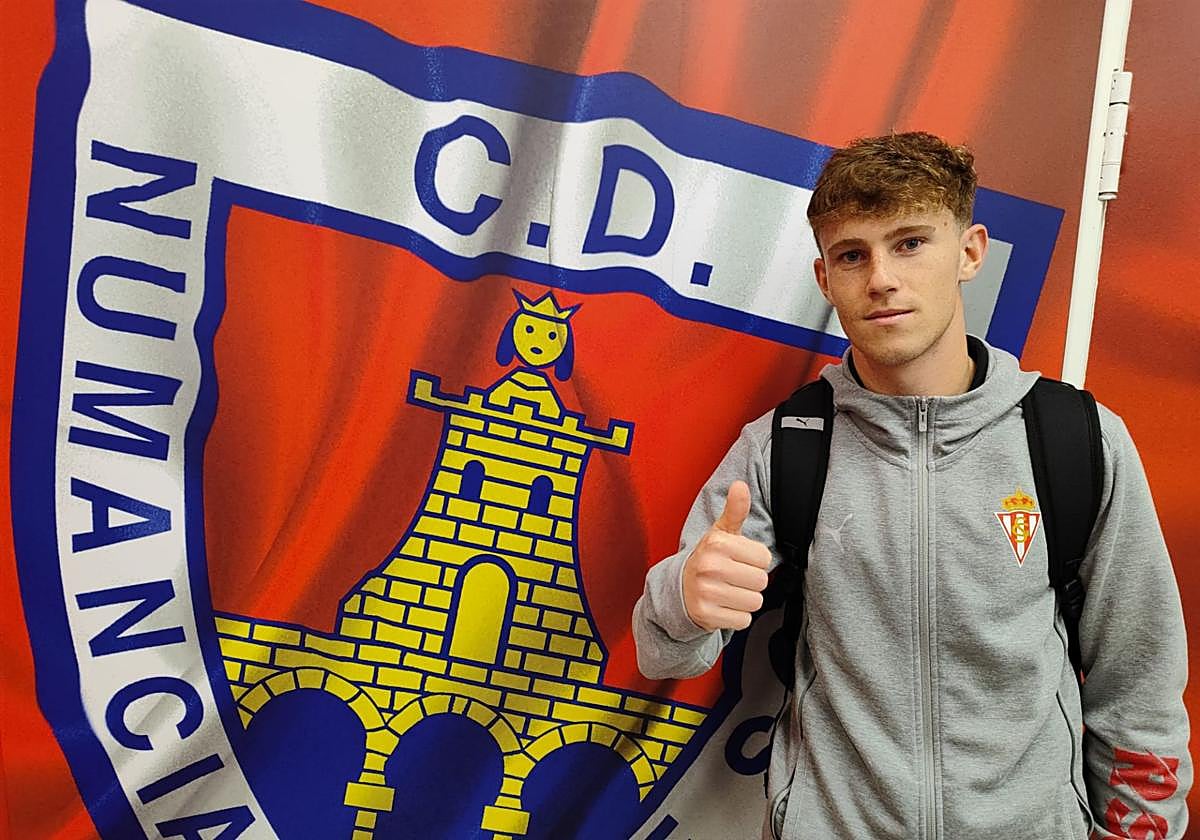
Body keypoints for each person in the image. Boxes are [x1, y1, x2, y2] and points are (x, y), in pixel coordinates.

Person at [631, 132, 1190, 839]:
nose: (882, 279)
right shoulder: (787, 446)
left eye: (910, 243)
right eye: (852, 254)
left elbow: (1138, 688)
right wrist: (685, 598)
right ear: (824, 276)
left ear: (970, 251)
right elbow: (665, 653)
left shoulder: (1076, 440)